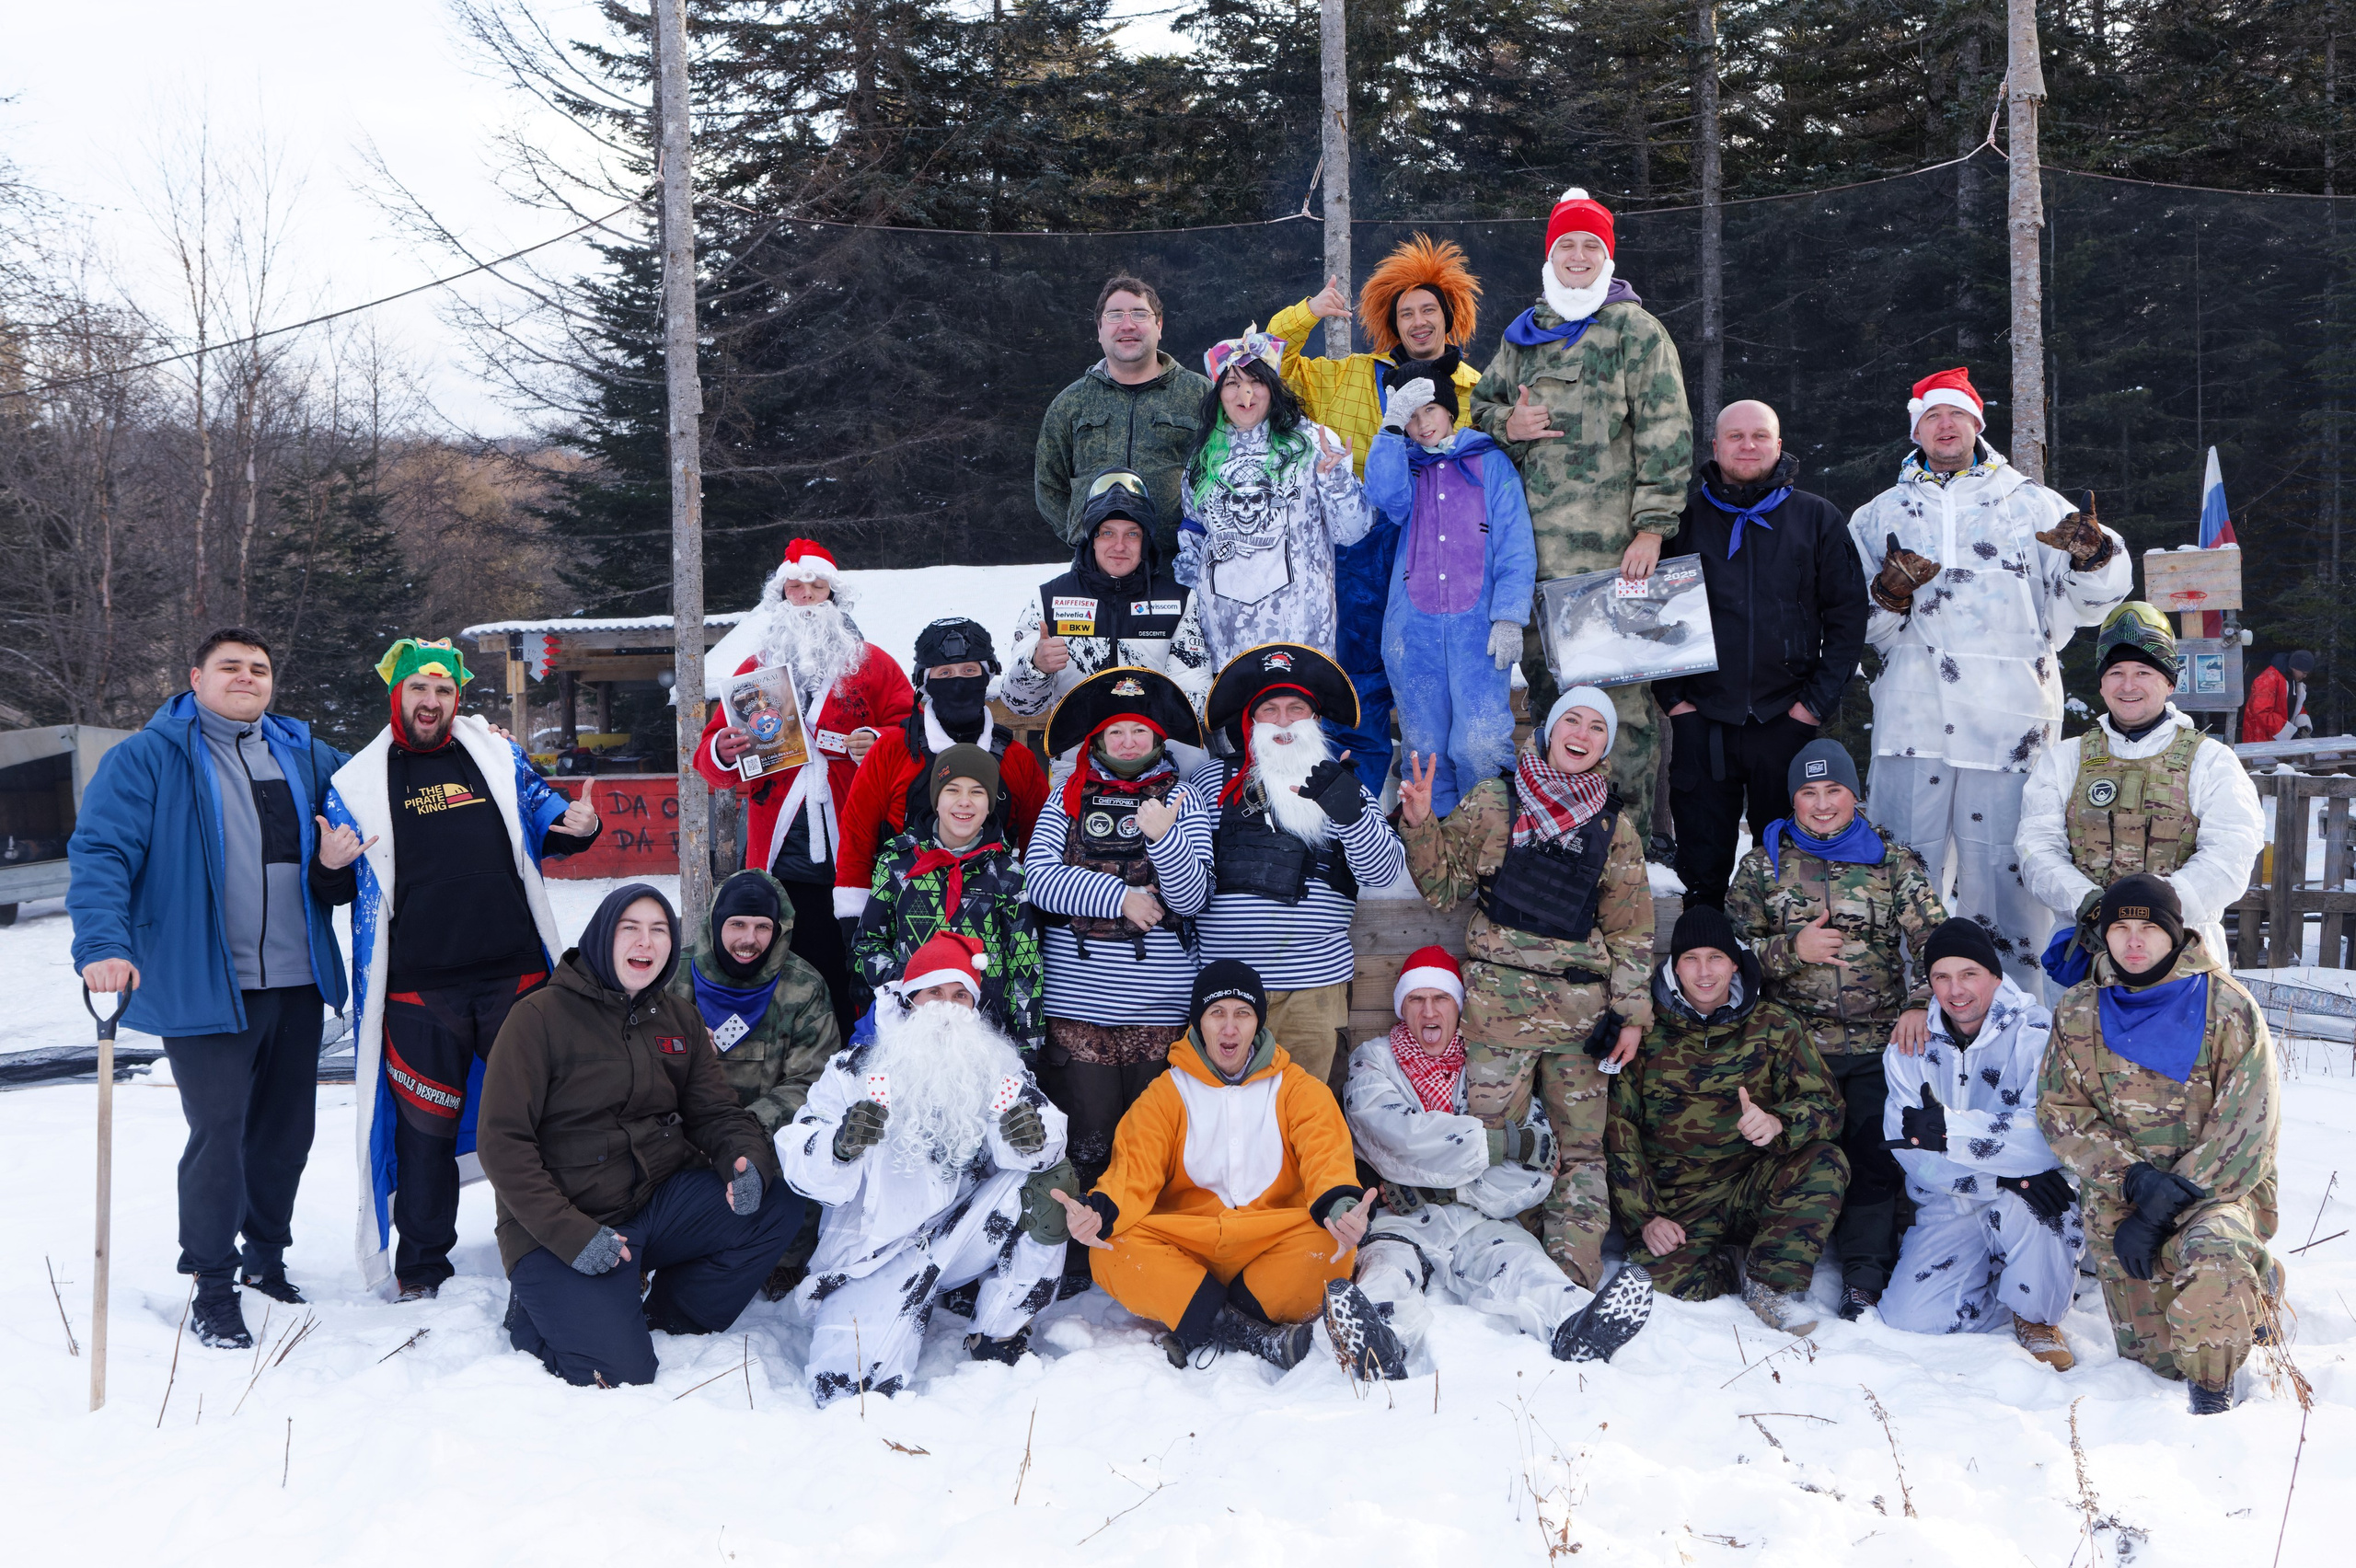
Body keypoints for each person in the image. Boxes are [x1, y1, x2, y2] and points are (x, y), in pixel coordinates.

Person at [67, 628, 352, 1348]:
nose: (247, 677)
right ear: (195, 678)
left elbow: (389, 785)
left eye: (259, 668)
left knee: (285, 1136)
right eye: (230, 667)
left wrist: (479, 743)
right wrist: (104, 944)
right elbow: (102, 852)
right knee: (219, 1135)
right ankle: (214, 1285)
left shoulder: (307, 755)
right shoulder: (148, 758)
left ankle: (265, 1260)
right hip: (204, 982)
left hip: (295, 980)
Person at [312, 637, 602, 1299]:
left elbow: (546, 820)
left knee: (540, 1117)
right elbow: (332, 886)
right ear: (398, 695)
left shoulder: (495, 755)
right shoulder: (355, 783)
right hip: (418, 994)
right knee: (424, 1132)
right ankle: (422, 1267)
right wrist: (329, 864)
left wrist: (578, 824)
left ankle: (556, 1236)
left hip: (517, 980)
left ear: (456, 699)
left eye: (443, 691)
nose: (432, 701)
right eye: (420, 689)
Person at [1849, 367, 2131, 991]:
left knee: (2006, 873)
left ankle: (2021, 1016)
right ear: (1916, 429)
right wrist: (1888, 598)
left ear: (1977, 424)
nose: (1944, 427)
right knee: (1902, 867)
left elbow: (2090, 603)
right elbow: (1852, 625)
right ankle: (1902, 1006)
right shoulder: (1879, 515)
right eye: (1931, 417)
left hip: (2009, 722)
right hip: (1913, 721)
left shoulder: (2029, 503)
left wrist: (2095, 555)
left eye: (1956, 415)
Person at [478, 884, 799, 1389]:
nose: (645, 943)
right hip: (565, 1222)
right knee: (619, 1376)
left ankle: (668, 1321)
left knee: (774, 1207)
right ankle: (541, 1312)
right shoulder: (537, 1018)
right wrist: (571, 1236)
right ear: (603, 936)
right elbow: (502, 1144)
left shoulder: (677, 1020)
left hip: (653, 1205)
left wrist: (744, 1159)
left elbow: (716, 1112)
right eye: (630, 929)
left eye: (658, 931)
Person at [1397, 686, 1654, 1290]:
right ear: (1547, 729)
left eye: (1598, 727)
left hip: (1580, 1018)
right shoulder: (1494, 801)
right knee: (1493, 1147)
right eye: (1573, 719)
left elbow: (1633, 930)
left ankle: (1570, 1282)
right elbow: (1445, 889)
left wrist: (1632, 1013)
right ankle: (1505, 1272)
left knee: (1580, 1156)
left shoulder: (1615, 828)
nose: (1583, 733)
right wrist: (1418, 825)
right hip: (1498, 1013)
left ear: (1606, 746)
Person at [1469, 187, 1693, 846]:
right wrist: (1508, 423)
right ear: (1550, 254)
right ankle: (1555, 832)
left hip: (1610, 560)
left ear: (1607, 257)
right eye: (1565, 244)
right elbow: (1480, 408)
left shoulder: (1635, 331)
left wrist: (1652, 528)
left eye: (1590, 245)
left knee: (1619, 707)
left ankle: (1628, 845)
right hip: (1532, 563)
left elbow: (1668, 431)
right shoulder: (1525, 333)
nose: (1576, 255)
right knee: (1549, 702)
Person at [778, 933, 1076, 1403]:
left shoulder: (992, 1068)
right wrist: (837, 1148)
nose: (946, 1007)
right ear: (910, 999)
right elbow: (797, 1151)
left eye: (960, 996)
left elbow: (1043, 1133)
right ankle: (887, 1310)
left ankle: (998, 1333)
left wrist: (1033, 1138)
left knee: (1050, 1183)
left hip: (958, 1236)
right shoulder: (859, 1069)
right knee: (849, 1394)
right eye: (934, 992)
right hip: (872, 1251)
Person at [1339, 948, 1656, 1377]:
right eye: (1416, 1000)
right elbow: (1395, 1136)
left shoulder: (1492, 1068)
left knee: (1523, 1264)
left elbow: (1536, 1170)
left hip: (1476, 1217)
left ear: (1458, 1005)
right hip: (1399, 1217)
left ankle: (1577, 1324)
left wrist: (1444, 1187)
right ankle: (1377, 1342)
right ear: (1401, 1008)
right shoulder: (1372, 1061)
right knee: (1388, 1272)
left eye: (1441, 999)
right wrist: (1497, 1146)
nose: (1428, 1011)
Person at [2038, 875, 2282, 1413]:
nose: (2133, 941)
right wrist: (2135, 1182)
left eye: (2148, 927)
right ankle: (2253, 1284)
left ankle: (2214, 1398)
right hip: (2124, 1200)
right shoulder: (2079, 1009)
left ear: (2175, 934)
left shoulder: (2227, 1006)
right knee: (2158, 1363)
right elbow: (2062, 1112)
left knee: (2213, 1259)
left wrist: (2171, 1202)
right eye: (2120, 928)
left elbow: (2247, 1126)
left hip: (2217, 1193)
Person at [1050, 962, 1369, 1373]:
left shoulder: (1299, 1088)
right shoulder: (1167, 1092)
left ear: (1259, 1023)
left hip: (1271, 1239)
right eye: (1217, 1013)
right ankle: (1246, 1329)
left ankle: (1203, 1319)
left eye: (1243, 1014)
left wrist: (1342, 1208)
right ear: (1199, 1022)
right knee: (1112, 1252)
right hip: (1188, 1243)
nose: (1230, 1028)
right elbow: (1134, 1170)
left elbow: (1326, 1155)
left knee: (1331, 1248)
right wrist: (1099, 1211)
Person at [1725, 736, 1946, 1320]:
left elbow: (1935, 940)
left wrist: (1921, 1002)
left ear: (1855, 794)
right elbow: (1727, 955)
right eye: (1808, 792)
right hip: (1795, 1047)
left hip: (1879, 1043)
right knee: (1801, 1147)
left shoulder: (1890, 861)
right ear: (1792, 798)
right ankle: (1776, 1264)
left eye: (1834, 791)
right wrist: (1791, 948)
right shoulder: (1763, 865)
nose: (1822, 805)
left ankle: (1863, 1278)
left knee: (1873, 1155)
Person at [1263, 236, 1487, 793]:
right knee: (1356, 684)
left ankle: (1437, 815)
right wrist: (1307, 313)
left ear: (1450, 316)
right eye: (1405, 312)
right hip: (1359, 552)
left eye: (1428, 309)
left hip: (1440, 553)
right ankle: (1352, 811)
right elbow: (1268, 363)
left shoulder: (1478, 390)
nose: (1417, 322)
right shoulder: (1351, 376)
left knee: (1432, 688)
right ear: (1392, 323)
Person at [1021, 667, 1212, 1284]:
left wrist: (1165, 841)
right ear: (1097, 741)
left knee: (1152, 1145)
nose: (1129, 742)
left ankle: (1148, 1253)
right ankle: (1077, 1261)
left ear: (1158, 739)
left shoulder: (1188, 798)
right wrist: (1120, 896)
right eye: (1117, 731)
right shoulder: (1066, 797)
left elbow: (1192, 897)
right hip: (1080, 1009)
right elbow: (1039, 879)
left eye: (1140, 730)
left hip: (1160, 1009)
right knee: (1087, 1139)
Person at [699, 538, 914, 1040]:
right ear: (782, 597)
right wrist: (726, 749)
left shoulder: (875, 664)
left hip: (852, 840)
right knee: (782, 959)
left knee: (851, 959)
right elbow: (711, 761)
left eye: (819, 587)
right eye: (797, 588)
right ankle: (786, 1056)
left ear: (834, 597)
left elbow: (912, 730)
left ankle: (855, 1049)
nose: (808, 597)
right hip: (779, 846)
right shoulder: (754, 671)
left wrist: (876, 740)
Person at [1657, 399, 1869, 907]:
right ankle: (1703, 970)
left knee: (1786, 871)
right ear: (1715, 446)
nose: (1747, 445)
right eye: (1735, 436)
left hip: (1786, 720)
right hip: (1702, 720)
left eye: (1759, 436)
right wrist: (1675, 703)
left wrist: (1812, 707)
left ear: (1779, 445)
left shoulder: (1816, 518)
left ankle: (1779, 971)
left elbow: (1847, 619)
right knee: (1701, 872)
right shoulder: (1682, 520)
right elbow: (1652, 616)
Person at [1606, 905, 1848, 1333]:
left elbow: (1827, 1107)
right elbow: (1619, 1128)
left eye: (1715, 957)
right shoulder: (1646, 1033)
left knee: (1824, 1160)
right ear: (1674, 967)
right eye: (1691, 959)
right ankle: (1725, 1262)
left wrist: (1778, 1123)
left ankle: (1769, 1285)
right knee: (1660, 1291)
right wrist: (1644, 1218)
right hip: (1677, 1204)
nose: (1704, 971)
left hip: (1751, 1189)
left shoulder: (1776, 1025)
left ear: (1734, 963)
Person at [1182, 645, 1408, 1082]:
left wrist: (1347, 810)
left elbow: (1382, 872)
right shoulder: (1210, 783)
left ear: (1315, 720)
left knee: (1309, 1121)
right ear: (1251, 722)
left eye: (1296, 708)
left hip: (1316, 990)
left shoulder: (1342, 783)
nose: (1284, 721)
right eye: (1270, 710)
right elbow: (1188, 888)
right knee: (1229, 1124)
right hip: (1227, 992)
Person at [1878, 918, 2085, 1367]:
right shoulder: (1909, 1046)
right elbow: (1910, 1148)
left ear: (1994, 975)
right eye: (1941, 977)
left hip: (2031, 1197)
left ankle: (2036, 1315)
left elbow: (2049, 1133)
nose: (1955, 990)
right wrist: (2003, 1179)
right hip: (1951, 1200)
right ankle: (1997, 1282)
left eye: (1969, 973)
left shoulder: (2040, 1032)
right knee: (1910, 1320)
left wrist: (1951, 1132)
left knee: (2044, 1202)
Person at [2017, 603, 2264, 974]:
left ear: (2169, 681)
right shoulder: (2065, 760)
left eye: (2143, 672)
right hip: (2087, 952)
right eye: (2116, 672)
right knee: (2084, 1035)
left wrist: (2157, 911)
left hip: (2183, 953)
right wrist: (2093, 906)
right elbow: (2036, 848)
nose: (2128, 685)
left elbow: (2233, 852)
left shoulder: (2212, 761)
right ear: (2102, 683)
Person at [1364, 357, 1538, 821]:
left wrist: (1508, 616)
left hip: (1476, 630)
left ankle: (1487, 837)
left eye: (1430, 411)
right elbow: (1384, 498)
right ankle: (1432, 840)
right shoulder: (1404, 468)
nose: (1422, 425)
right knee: (1425, 746)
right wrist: (1390, 429)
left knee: (1479, 740)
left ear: (1449, 409)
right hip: (1412, 634)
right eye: (1412, 416)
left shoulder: (1490, 464)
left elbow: (1515, 544)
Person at [1172, 326, 1372, 670]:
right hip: (1224, 636)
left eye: (1257, 382)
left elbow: (1353, 532)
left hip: (1300, 633)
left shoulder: (1311, 444)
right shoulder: (1203, 459)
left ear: (1274, 388)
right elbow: (1193, 541)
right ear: (1218, 393)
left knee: (1293, 722)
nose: (1245, 394)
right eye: (1233, 383)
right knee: (1235, 722)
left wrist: (1335, 479)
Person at [833, 617, 1049, 925]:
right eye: (945, 673)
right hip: (901, 926)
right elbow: (857, 840)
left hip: (992, 930)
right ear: (925, 681)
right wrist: (853, 920)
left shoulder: (1018, 760)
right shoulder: (890, 752)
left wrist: (1033, 919)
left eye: (970, 671)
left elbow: (1039, 847)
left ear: (987, 676)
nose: (958, 682)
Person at [850, 744, 1044, 1051]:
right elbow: (866, 945)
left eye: (977, 792)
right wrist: (908, 981)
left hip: (984, 1038)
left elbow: (1025, 963)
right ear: (936, 799)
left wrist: (1027, 1044)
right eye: (952, 790)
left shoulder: (1007, 873)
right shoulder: (898, 863)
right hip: (909, 1032)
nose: (964, 802)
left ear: (991, 803)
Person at [1001, 472, 1210, 732]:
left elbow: (1196, 704)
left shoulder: (1179, 601)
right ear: (1092, 538)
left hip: (1159, 751)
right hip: (1076, 753)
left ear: (1145, 540)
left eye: (1132, 534)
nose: (1119, 546)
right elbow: (1019, 704)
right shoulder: (1049, 599)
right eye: (1108, 533)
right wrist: (1036, 666)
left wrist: (1134, 732)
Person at [1036, 274, 1211, 562]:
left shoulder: (1201, 395)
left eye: (1140, 314)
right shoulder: (1071, 402)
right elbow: (1049, 486)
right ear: (1100, 329)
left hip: (1180, 566)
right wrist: (1088, 535)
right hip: (1095, 571)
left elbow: (1222, 473)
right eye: (1115, 315)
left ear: (1159, 326)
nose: (1127, 325)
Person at [2246, 649, 2316, 743]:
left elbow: (2295, 706)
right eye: (2304, 673)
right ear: (2295, 667)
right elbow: (2261, 712)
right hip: (2261, 739)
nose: (2305, 676)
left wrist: (2302, 725)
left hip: (2278, 738)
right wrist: (2289, 733)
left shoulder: (2291, 679)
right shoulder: (2268, 680)